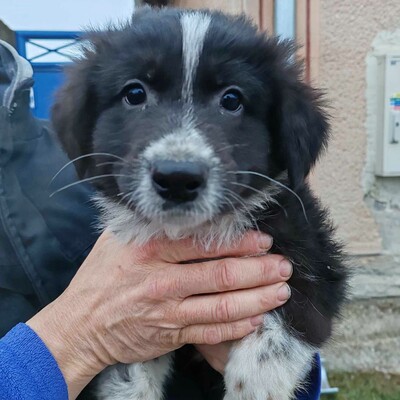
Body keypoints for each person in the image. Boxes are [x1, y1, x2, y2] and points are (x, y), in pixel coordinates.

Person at [0, 39, 321, 400]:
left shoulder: (50, 157)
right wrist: (76, 339)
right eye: (135, 95)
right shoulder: (86, 160)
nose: (180, 149)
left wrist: (267, 351)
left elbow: (318, 286)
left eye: (230, 101)